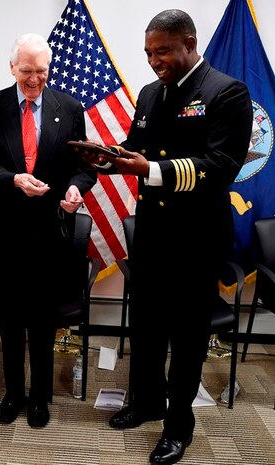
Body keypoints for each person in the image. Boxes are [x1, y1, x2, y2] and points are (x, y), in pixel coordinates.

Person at [75, 10, 252, 465]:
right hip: (152, 235)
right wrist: (111, 159)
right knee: (147, 327)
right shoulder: (151, 94)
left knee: (188, 337)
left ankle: (178, 427)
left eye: (164, 51)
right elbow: (140, 146)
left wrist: (148, 170)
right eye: (149, 53)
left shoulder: (226, 92)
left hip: (196, 239)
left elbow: (220, 167)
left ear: (189, 42)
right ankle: (147, 402)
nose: (155, 61)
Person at [0, 33, 97, 428]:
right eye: (27, 71)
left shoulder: (69, 107)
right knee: (9, 316)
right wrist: (13, 179)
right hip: (7, 231)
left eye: (42, 71)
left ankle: (39, 396)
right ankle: (13, 394)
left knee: (42, 319)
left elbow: (85, 166)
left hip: (51, 234)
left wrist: (77, 186)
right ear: (12, 68)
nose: (35, 79)